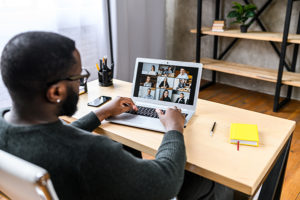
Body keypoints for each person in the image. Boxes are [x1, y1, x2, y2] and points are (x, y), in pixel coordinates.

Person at [0, 32, 226, 200]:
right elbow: (166, 183)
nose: (82, 81)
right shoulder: (90, 153)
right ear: (56, 92)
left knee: (128, 149)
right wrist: (174, 129)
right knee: (212, 179)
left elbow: (53, 138)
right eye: (79, 77)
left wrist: (102, 112)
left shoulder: (4, 123)